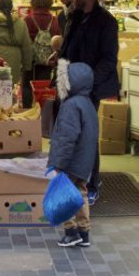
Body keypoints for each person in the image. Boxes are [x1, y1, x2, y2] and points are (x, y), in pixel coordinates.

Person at [57, 0, 120, 201]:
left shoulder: (106, 22)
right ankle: (73, 180)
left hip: (89, 88)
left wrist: (87, 80)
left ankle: (91, 183)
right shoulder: (74, 17)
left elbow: (109, 60)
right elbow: (68, 48)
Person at [49, 60, 98, 248]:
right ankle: (84, 232)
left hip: (71, 161)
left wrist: (58, 164)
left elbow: (65, 138)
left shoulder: (70, 106)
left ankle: (71, 232)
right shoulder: (87, 104)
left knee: (64, 194)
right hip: (84, 161)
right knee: (81, 193)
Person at [23, 0, 62, 106]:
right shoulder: (55, 20)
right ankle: (43, 108)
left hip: (30, 59)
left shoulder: (27, 20)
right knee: (44, 86)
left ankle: (27, 109)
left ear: (33, 4)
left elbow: (23, 39)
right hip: (47, 60)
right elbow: (58, 40)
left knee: (27, 85)